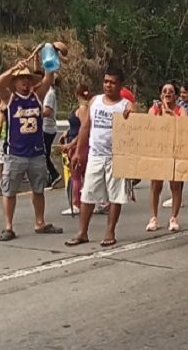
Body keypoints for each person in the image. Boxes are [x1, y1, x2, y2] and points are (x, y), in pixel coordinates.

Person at [0, 61, 63, 241]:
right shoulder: (10, 99)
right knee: (9, 191)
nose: (25, 83)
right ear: (14, 82)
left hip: (36, 153)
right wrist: (13, 69)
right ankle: (8, 226)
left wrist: (50, 57)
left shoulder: (37, 96)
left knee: (38, 189)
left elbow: (48, 78)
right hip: (15, 153)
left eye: (27, 79)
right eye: (21, 79)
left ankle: (40, 222)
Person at [64, 67, 131, 246]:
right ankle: (82, 233)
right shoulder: (95, 101)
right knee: (88, 194)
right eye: (106, 82)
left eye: (113, 82)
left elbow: (135, 129)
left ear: (120, 85)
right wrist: (78, 152)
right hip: (95, 155)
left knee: (116, 196)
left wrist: (130, 116)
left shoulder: (126, 105)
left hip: (116, 156)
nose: (108, 85)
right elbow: (85, 127)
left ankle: (110, 231)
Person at [147, 82, 188, 232]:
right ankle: (153, 218)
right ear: (160, 95)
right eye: (164, 91)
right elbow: (147, 127)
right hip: (158, 152)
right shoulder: (154, 110)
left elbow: (187, 129)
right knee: (155, 185)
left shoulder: (181, 110)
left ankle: (174, 218)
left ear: (176, 96)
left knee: (175, 186)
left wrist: (172, 115)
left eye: (171, 91)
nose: (167, 93)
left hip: (175, 152)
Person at [60, 84, 91, 216]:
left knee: (76, 175)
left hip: (79, 145)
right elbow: (76, 125)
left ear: (76, 94)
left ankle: (77, 203)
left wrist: (72, 144)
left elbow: (84, 128)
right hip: (75, 141)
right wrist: (67, 133)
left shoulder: (83, 109)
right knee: (82, 174)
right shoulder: (81, 108)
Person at [42, 78, 61, 189]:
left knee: (43, 154)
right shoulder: (46, 92)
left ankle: (53, 175)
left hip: (47, 128)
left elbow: (47, 112)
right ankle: (52, 175)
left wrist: (34, 112)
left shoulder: (49, 94)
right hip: (45, 127)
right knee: (44, 154)